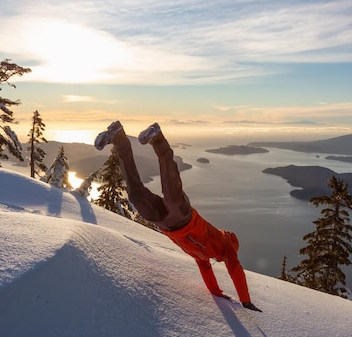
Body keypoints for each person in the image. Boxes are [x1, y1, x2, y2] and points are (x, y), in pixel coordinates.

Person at [95, 121, 262, 312]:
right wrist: (246, 301)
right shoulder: (225, 245)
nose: (225, 260)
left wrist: (216, 293)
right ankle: (158, 139)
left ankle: (119, 139)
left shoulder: (203, 256)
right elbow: (236, 271)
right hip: (184, 218)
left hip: (164, 223)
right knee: (171, 188)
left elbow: (207, 274)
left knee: (136, 196)